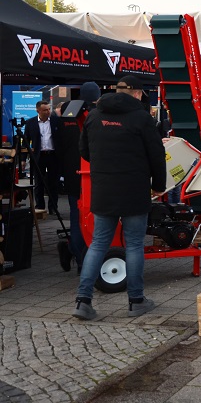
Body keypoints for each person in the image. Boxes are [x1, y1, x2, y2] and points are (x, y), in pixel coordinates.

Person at [73, 75, 166, 320]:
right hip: (134, 188)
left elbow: (83, 150)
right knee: (134, 244)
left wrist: (105, 166)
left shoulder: (94, 115)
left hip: (104, 187)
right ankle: (136, 301)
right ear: (136, 93)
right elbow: (157, 155)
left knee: (98, 244)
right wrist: (158, 185)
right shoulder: (142, 118)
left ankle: (83, 301)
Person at [56, 82, 101, 273]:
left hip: (71, 175)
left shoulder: (66, 115)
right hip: (93, 176)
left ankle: (77, 255)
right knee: (95, 220)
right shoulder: (97, 116)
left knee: (77, 218)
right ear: (97, 97)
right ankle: (84, 259)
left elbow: (58, 146)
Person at [24, 100, 62, 214]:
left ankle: (53, 207)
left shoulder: (56, 121)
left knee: (53, 183)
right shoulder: (30, 123)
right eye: (45, 110)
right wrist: (22, 159)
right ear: (38, 110)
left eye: (49, 109)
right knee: (39, 183)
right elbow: (25, 141)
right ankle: (40, 206)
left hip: (53, 156)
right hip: (38, 156)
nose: (48, 111)